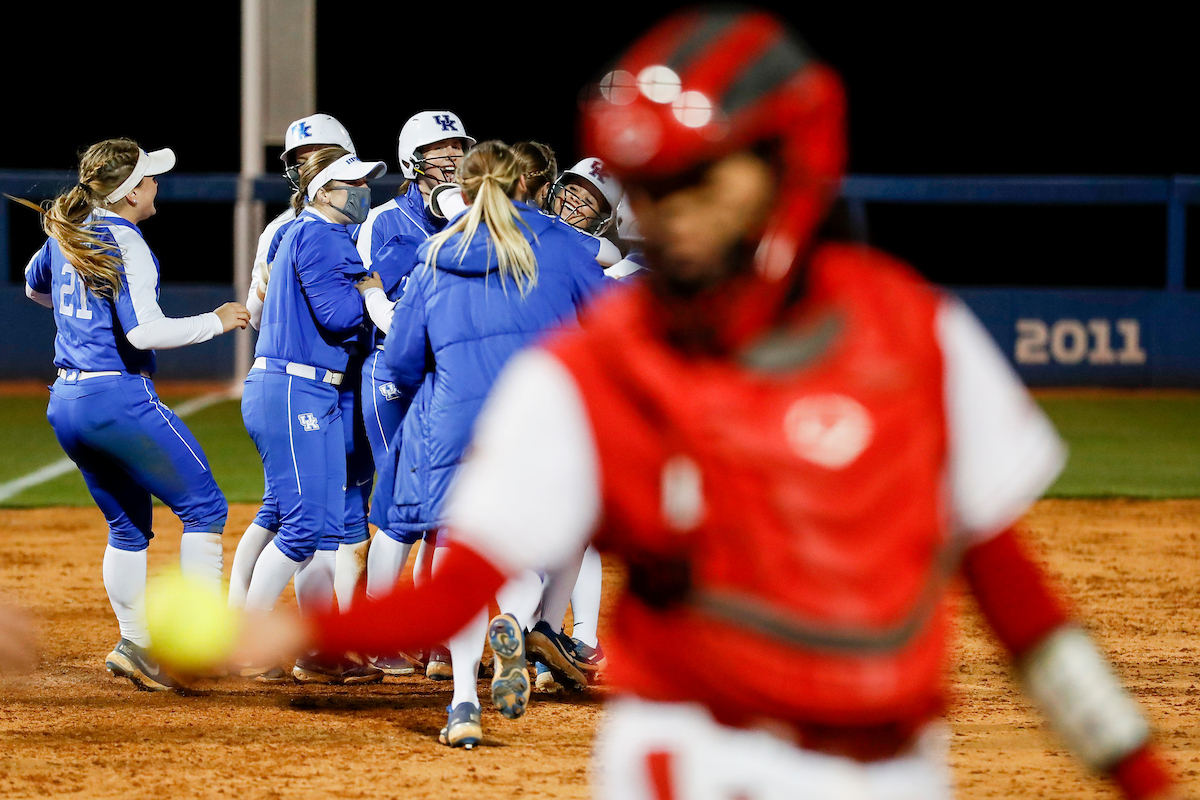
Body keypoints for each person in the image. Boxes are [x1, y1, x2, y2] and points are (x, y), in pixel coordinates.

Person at [217, 8, 1180, 798]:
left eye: (695, 180)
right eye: (651, 184)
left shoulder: (911, 337)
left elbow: (1018, 599)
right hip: (680, 769)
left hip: (877, 775)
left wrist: (1137, 771)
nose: (667, 210)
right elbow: (462, 583)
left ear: (788, 162)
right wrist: (294, 629)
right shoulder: (595, 363)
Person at [355, 139, 605, 746]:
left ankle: (463, 702)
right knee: (527, 554)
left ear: (462, 193)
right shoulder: (562, 245)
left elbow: (399, 360)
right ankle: (518, 626)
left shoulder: (435, 253)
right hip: (533, 419)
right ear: (527, 186)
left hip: (452, 421)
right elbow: (611, 325)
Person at [19, 138, 249, 690]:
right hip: (116, 398)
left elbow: (35, 291)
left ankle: (137, 644)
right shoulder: (127, 241)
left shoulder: (67, 233)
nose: (155, 186)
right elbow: (144, 331)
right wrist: (215, 321)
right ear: (128, 194)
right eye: (148, 179)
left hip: (67, 401)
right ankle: (196, 646)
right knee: (205, 508)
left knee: (126, 527)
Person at [228, 114, 378, 685]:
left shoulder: (303, 231)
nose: (364, 191)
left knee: (295, 517)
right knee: (302, 527)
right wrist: (375, 292)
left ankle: (303, 646)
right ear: (324, 190)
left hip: (303, 386)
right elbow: (339, 317)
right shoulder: (317, 232)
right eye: (355, 183)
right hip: (296, 387)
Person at [355, 110, 476, 681]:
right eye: (438, 148)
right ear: (411, 160)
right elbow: (376, 304)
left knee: (447, 512)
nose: (451, 156)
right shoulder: (385, 220)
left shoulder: (467, 216)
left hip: (445, 378)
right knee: (404, 510)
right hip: (391, 373)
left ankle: (432, 637)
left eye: (458, 146)